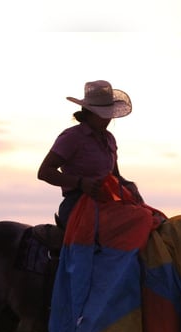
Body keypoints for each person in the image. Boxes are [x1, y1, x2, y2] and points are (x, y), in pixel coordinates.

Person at [37, 80, 142, 229]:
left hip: (107, 202)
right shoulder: (72, 137)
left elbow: (114, 175)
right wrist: (81, 183)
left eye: (108, 114)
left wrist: (129, 186)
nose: (107, 119)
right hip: (77, 203)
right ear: (89, 113)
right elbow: (44, 172)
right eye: (102, 115)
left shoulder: (109, 138)